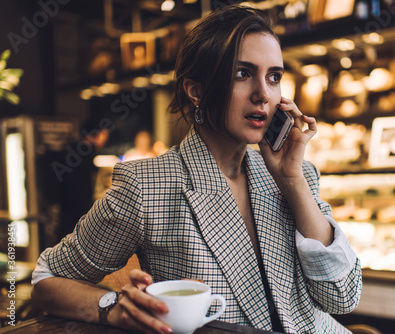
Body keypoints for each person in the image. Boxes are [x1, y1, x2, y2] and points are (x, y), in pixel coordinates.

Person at [31, 5, 362, 334]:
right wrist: (114, 309)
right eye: (242, 73)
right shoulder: (146, 186)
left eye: (274, 76)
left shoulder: (295, 175)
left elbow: (342, 298)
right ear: (196, 90)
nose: (263, 94)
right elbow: (47, 279)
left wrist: (292, 181)